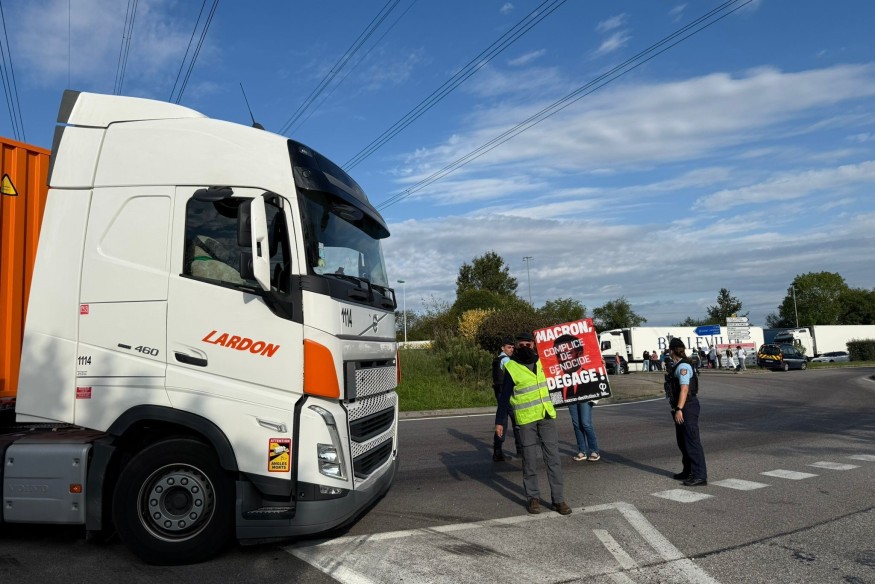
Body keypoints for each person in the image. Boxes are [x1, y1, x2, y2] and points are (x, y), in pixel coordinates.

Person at [495, 331, 572, 515]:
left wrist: (595, 367)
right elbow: (504, 397)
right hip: (526, 419)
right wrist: (499, 421)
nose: (525, 347)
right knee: (529, 460)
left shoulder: (544, 361)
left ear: (534, 345)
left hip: (546, 416)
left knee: (553, 459)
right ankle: (533, 498)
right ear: (516, 346)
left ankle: (558, 500)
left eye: (528, 344)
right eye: (521, 345)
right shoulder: (511, 367)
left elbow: (566, 374)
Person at [665, 337, 707, 486]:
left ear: (671, 351)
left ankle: (700, 475)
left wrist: (679, 409)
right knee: (683, 442)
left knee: (692, 441)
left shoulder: (683, 367)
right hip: (683, 406)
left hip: (687, 407)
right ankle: (688, 471)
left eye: (669, 351)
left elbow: (684, 389)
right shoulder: (678, 365)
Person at [553, 334, 600, 463]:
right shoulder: (557, 382)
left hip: (585, 397)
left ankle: (594, 450)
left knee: (585, 423)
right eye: (559, 354)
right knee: (576, 424)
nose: (563, 358)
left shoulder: (593, 376)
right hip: (571, 399)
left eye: (567, 353)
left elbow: (601, 387)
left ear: (579, 353)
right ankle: (582, 451)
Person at [491, 337, 521, 461]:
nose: (511, 349)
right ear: (502, 348)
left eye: (513, 347)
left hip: (499, 393)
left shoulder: (497, 359)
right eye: (509, 347)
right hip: (507, 395)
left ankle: (497, 451)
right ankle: (520, 450)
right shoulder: (506, 360)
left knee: (502, 422)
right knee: (517, 421)